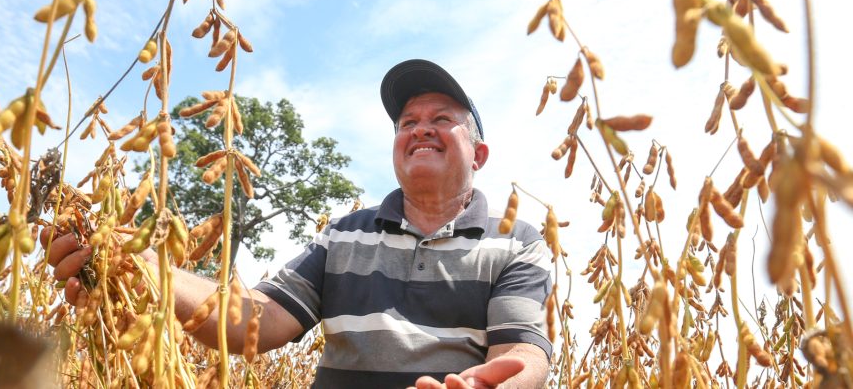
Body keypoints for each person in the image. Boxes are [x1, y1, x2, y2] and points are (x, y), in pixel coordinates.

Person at [43, 59, 552, 388]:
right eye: (406, 123)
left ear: (479, 153)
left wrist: (501, 382)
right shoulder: (344, 234)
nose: (420, 127)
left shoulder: (516, 244)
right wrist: (148, 268)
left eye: (441, 119)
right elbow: (254, 321)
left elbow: (521, 351)